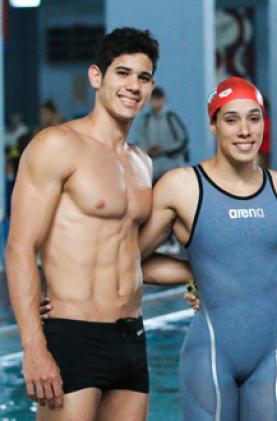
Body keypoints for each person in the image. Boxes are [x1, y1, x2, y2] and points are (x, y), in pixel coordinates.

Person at [138, 76, 277, 421]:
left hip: (272, 354)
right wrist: (198, 274)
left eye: (254, 118)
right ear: (213, 125)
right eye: (231, 119)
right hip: (210, 353)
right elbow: (131, 259)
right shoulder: (182, 187)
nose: (245, 130)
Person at [5, 27, 159, 420]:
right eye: (122, 73)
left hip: (131, 338)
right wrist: (33, 346)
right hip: (73, 333)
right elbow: (20, 246)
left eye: (143, 77)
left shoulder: (142, 163)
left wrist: (195, 283)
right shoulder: (57, 145)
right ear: (96, 77)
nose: (133, 86)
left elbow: (137, 254)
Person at [133, 86, 189, 182]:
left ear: (163, 99)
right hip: (153, 171)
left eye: (157, 99)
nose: (155, 102)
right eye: (152, 99)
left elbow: (183, 141)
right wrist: (148, 150)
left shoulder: (171, 118)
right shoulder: (145, 121)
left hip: (172, 169)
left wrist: (164, 149)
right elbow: (139, 141)